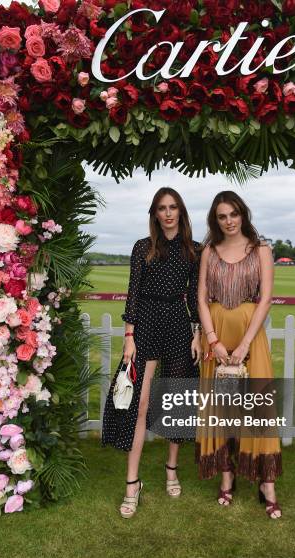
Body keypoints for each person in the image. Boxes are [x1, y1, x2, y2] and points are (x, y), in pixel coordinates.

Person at [102, 187, 202, 518]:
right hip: (144, 322)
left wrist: (197, 332)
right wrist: (129, 336)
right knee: (139, 402)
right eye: (162, 208)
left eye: (174, 207)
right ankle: (133, 482)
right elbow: (132, 294)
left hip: (177, 322)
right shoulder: (142, 248)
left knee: (176, 399)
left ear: (181, 212)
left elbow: (197, 299)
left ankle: (171, 468)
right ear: (155, 213)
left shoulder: (193, 250)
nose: (168, 213)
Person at [196, 191, 282, 519]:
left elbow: (266, 299)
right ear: (215, 220)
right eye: (222, 216)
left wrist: (245, 343)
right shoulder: (209, 252)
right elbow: (202, 299)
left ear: (243, 214)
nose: (229, 221)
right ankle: (227, 476)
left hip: (250, 335)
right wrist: (213, 341)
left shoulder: (260, 250)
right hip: (216, 335)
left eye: (233, 214)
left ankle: (266, 483)